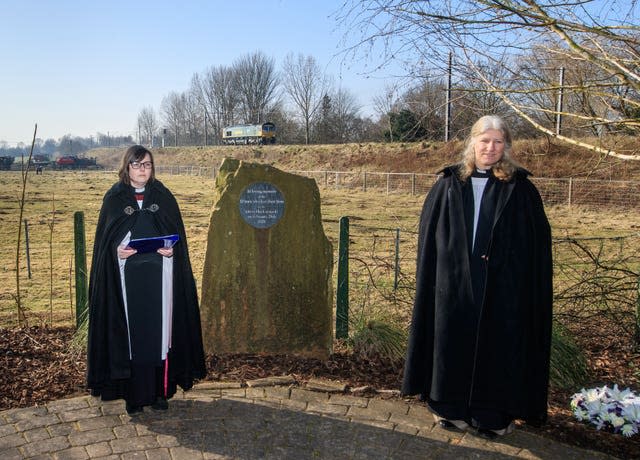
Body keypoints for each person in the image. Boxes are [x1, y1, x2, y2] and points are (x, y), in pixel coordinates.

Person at [401, 115, 553, 439]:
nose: (490, 147)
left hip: (502, 289)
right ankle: (449, 408)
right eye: (484, 141)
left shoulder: (520, 189)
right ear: (472, 143)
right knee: (451, 343)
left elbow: (534, 246)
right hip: (453, 284)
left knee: (497, 350)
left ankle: (493, 416)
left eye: (498, 142)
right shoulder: (449, 183)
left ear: (507, 147)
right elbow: (431, 238)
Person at [87, 144, 206, 415]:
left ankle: (159, 392)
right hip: (126, 282)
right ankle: (133, 396)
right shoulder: (114, 198)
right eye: (137, 164)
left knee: (160, 334)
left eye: (147, 164)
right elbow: (105, 244)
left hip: (160, 278)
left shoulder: (163, 196)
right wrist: (116, 250)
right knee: (132, 336)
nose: (143, 170)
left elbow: (177, 238)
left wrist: (170, 249)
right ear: (127, 167)